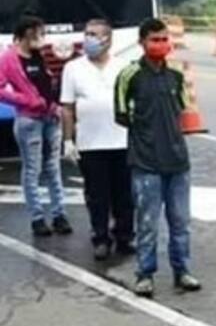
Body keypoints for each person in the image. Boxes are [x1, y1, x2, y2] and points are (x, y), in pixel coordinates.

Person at [114, 18, 200, 298]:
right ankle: (145, 274)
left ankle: (182, 270)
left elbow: (184, 112)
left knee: (180, 222)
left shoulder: (175, 76)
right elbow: (121, 115)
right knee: (148, 223)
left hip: (178, 161)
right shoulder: (130, 76)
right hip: (146, 162)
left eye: (165, 39)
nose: (161, 45)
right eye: (155, 40)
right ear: (142, 43)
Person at [60, 18, 130, 260]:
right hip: (90, 144)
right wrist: (68, 140)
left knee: (125, 194)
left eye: (94, 34)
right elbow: (67, 107)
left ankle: (124, 236)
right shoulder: (73, 68)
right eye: (86, 34)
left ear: (108, 40)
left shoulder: (124, 66)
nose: (88, 39)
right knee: (96, 195)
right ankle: (100, 237)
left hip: (122, 141)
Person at [0, 14, 70, 238]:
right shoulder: (9, 59)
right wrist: (27, 101)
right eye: (37, 34)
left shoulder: (39, 55)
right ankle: (37, 217)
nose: (40, 39)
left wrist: (55, 105)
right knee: (33, 168)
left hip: (51, 116)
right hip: (29, 119)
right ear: (24, 35)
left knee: (53, 166)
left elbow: (48, 82)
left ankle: (59, 214)